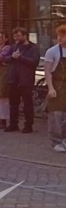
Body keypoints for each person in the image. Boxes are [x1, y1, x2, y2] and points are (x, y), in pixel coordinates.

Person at [6, 27, 40, 133]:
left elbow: (34, 62)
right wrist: (12, 57)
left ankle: (28, 125)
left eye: (18, 36)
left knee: (27, 104)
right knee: (13, 103)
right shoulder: (13, 47)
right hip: (13, 79)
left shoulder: (33, 48)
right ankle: (13, 124)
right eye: (14, 36)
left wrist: (20, 57)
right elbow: (5, 59)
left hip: (26, 80)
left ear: (25, 36)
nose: (16, 38)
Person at [43, 24, 66, 152]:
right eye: (59, 36)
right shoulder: (52, 51)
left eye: (63, 36)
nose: (60, 38)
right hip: (57, 85)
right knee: (56, 114)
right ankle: (56, 141)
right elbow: (47, 72)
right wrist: (51, 88)